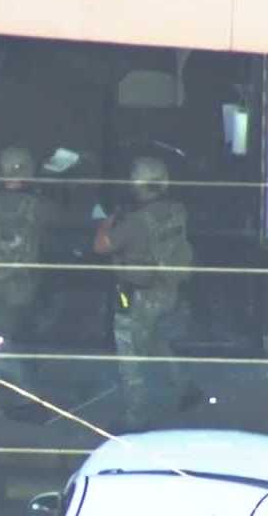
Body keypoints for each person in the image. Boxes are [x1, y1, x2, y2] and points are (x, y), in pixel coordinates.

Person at [94, 155, 201, 432]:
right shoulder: (177, 210)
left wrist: (107, 220)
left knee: (129, 355)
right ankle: (185, 388)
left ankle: (136, 416)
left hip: (138, 297)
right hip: (167, 291)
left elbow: (101, 246)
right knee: (157, 341)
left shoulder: (135, 222)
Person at [0, 146, 68, 398]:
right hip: (23, 284)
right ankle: (19, 396)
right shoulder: (40, 206)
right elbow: (60, 219)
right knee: (6, 338)